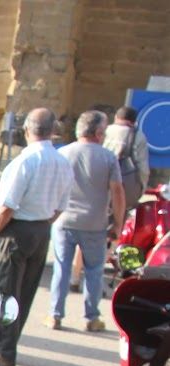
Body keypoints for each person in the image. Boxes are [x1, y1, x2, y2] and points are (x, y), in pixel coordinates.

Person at [0, 108, 74, 366]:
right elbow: (61, 206)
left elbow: (8, 204)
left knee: (4, 290)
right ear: (52, 131)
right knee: (24, 291)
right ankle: (3, 341)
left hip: (14, 229)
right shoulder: (61, 161)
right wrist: (42, 222)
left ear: (27, 130)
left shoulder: (26, 161)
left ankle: (6, 353)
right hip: (41, 229)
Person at [47, 110, 123, 332]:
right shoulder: (108, 157)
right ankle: (91, 317)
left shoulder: (63, 153)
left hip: (64, 220)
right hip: (95, 222)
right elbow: (117, 192)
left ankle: (55, 314)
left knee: (61, 268)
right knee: (94, 270)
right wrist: (118, 223)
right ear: (98, 132)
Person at [104, 105, 150, 217]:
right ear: (134, 121)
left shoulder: (104, 130)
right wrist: (141, 188)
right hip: (124, 186)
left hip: (101, 183)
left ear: (116, 117)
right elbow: (143, 168)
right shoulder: (138, 136)